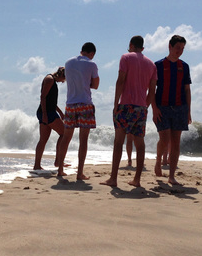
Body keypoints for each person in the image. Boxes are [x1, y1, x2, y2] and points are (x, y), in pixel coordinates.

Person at [101, 36, 157, 187]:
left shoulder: (125, 57)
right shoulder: (151, 64)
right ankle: (137, 180)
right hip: (141, 107)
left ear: (131, 45)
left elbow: (120, 80)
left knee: (119, 141)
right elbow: (152, 90)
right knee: (140, 143)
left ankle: (113, 178)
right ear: (143, 48)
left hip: (126, 105)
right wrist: (145, 106)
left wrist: (115, 103)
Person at [55, 42, 100, 180]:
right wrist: (87, 83)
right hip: (85, 103)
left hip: (70, 103)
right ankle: (79, 173)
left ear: (81, 51)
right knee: (83, 140)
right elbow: (96, 85)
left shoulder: (68, 62)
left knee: (66, 138)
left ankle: (60, 169)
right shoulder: (92, 65)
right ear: (91, 53)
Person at [152, 35, 191, 185]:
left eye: (182, 49)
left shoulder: (184, 66)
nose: (179, 51)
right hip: (162, 107)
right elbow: (152, 89)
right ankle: (158, 161)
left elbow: (187, 90)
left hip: (180, 107)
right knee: (164, 139)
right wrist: (154, 108)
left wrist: (188, 110)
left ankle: (172, 175)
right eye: (177, 48)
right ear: (170, 46)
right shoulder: (158, 65)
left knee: (176, 142)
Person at [33, 67, 67, 170]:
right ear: (61, 75)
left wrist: (60, 112)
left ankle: (37, 165)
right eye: (63, 80)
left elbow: (51, 101)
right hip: (47, 113)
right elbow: (43, 97)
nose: (63, 82)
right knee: (64, 134)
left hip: (48, 112)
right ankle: (58, 161)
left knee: (43, 140)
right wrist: (44, 114)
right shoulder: (50, 79)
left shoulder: (52, 80)